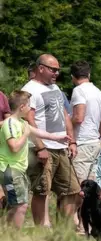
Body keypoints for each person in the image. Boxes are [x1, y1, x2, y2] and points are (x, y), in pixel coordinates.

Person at [23, 54, 80, 227]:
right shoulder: (30, 89)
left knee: (72, 189)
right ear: (41, 68)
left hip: (61, 146)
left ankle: (63, 229)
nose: (56, 73)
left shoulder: (54, 87)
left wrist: (72, 141)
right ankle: (42, 230)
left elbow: (64, 114)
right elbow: (28, 120)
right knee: (42, 190)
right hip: (42, 148)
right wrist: (40, 147)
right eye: (53, 69)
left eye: (58, 70)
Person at [0, 90, 70, 229]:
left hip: (18, 170)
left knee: (17, 204)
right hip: (10, 170)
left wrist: (58, 137)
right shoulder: (10, 124)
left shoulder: (21, 122)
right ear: (22, 107)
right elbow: (14, 147)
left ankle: (7, 232)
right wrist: (26, 135)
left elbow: (39, 132)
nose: (31, 109)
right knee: (20, 205)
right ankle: (13, 236)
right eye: (29, 106)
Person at [70, 60, 101, 233]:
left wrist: (64, 123)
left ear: (73, 77)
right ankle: (88, 223)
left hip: (82, 143)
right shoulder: (98, 92)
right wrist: (97, 136)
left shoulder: (79, 91)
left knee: (77, 187)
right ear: (89, 74)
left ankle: (78, 224)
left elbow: (78, 117)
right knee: (89, 187)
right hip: (94, 143)